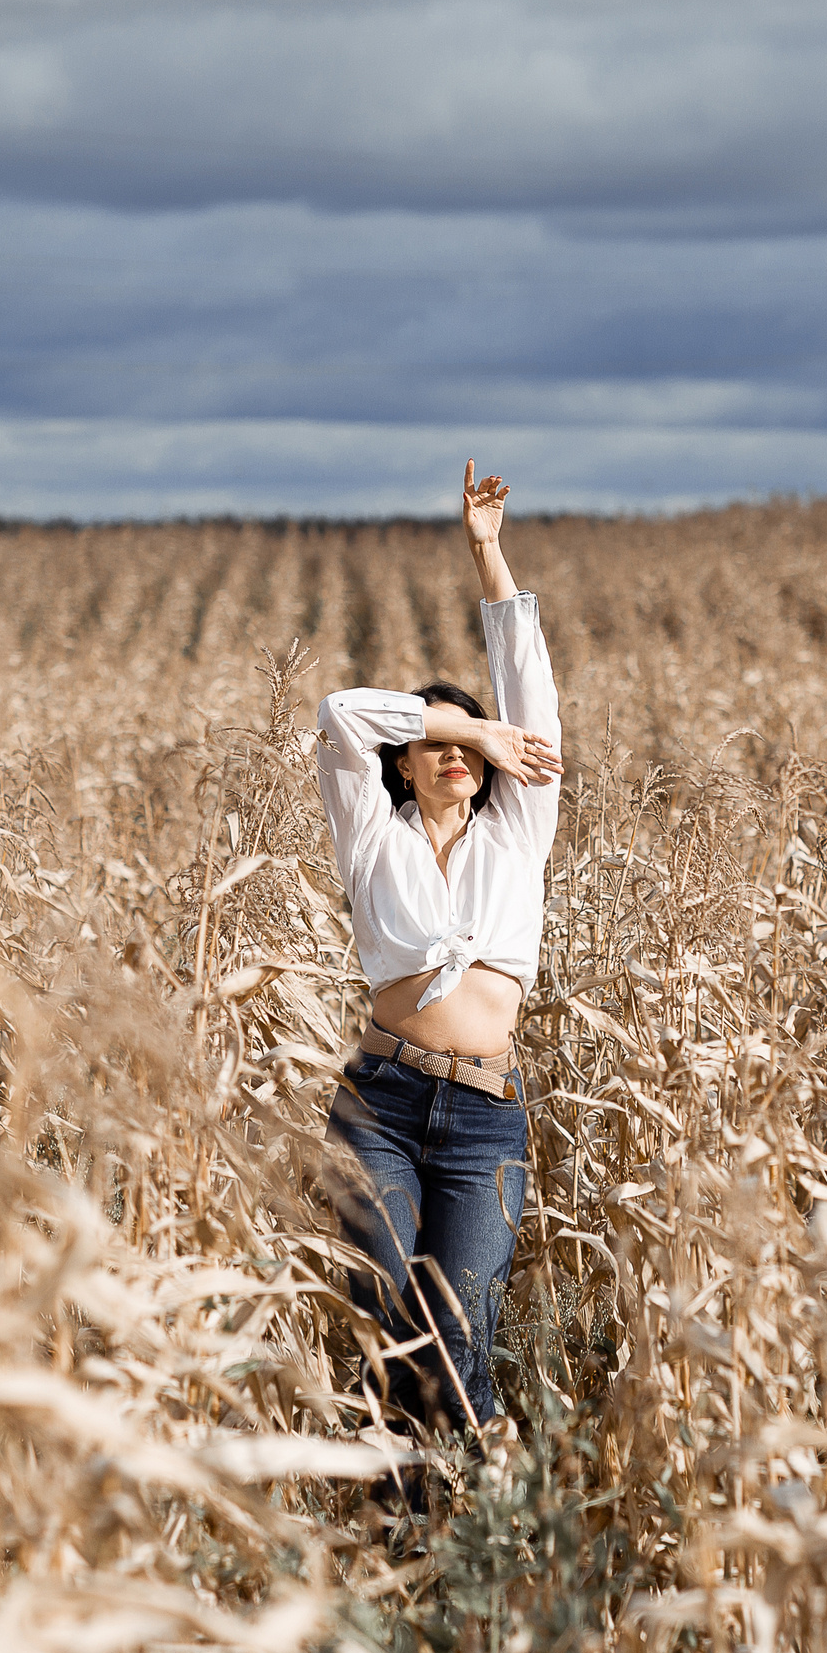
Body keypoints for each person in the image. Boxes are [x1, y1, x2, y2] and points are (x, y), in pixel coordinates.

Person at [313, 459, 564, 1488]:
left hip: (483, 1113)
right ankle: (399, 1520)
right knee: (385, 1315)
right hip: (379, 1102)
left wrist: (485, 549)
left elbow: (531, 689)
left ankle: (479, 1519)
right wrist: (459, 720)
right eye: (433, 739)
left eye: (470, 740)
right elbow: (340, 712)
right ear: (408, 760)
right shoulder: (371, 835)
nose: (455, 753)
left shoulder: (519, 834)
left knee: (459, 1331)